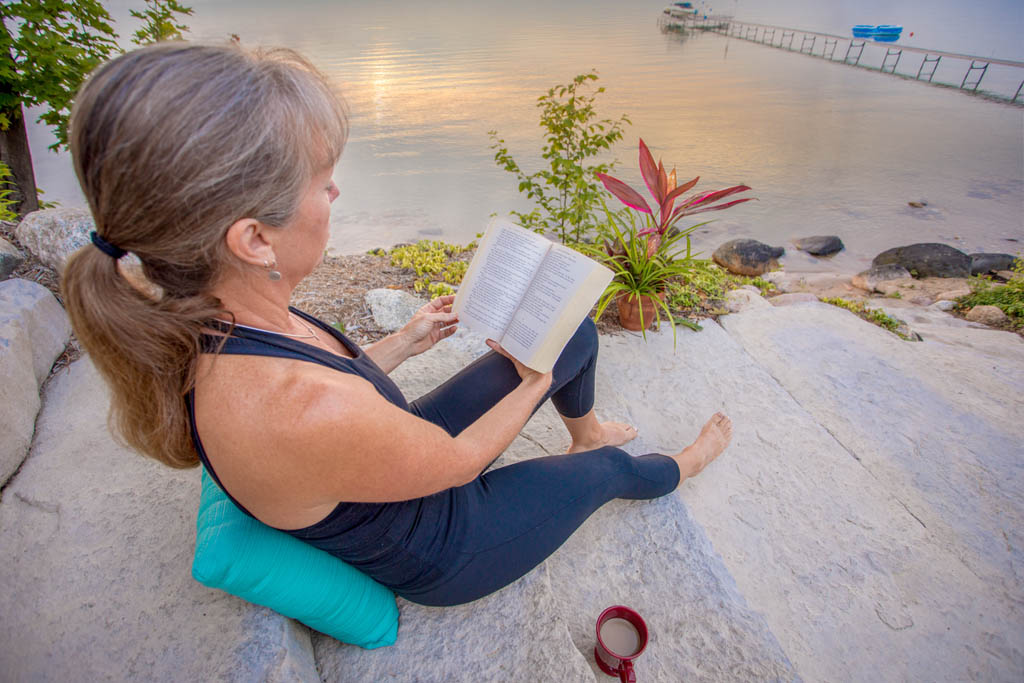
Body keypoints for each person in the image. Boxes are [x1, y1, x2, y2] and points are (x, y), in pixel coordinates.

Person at [62, 43, 732, 607]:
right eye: (322, 184)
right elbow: (457, 463)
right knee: (611, 467)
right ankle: (676, 463)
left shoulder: (213, 306)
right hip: (448, 536)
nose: (336, 195)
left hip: (383, 448)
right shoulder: (293, 408)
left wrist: (409, 337)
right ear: (255, 239)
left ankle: (583, 432)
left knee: (574, 333)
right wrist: (532, 385)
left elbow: (337, 384)